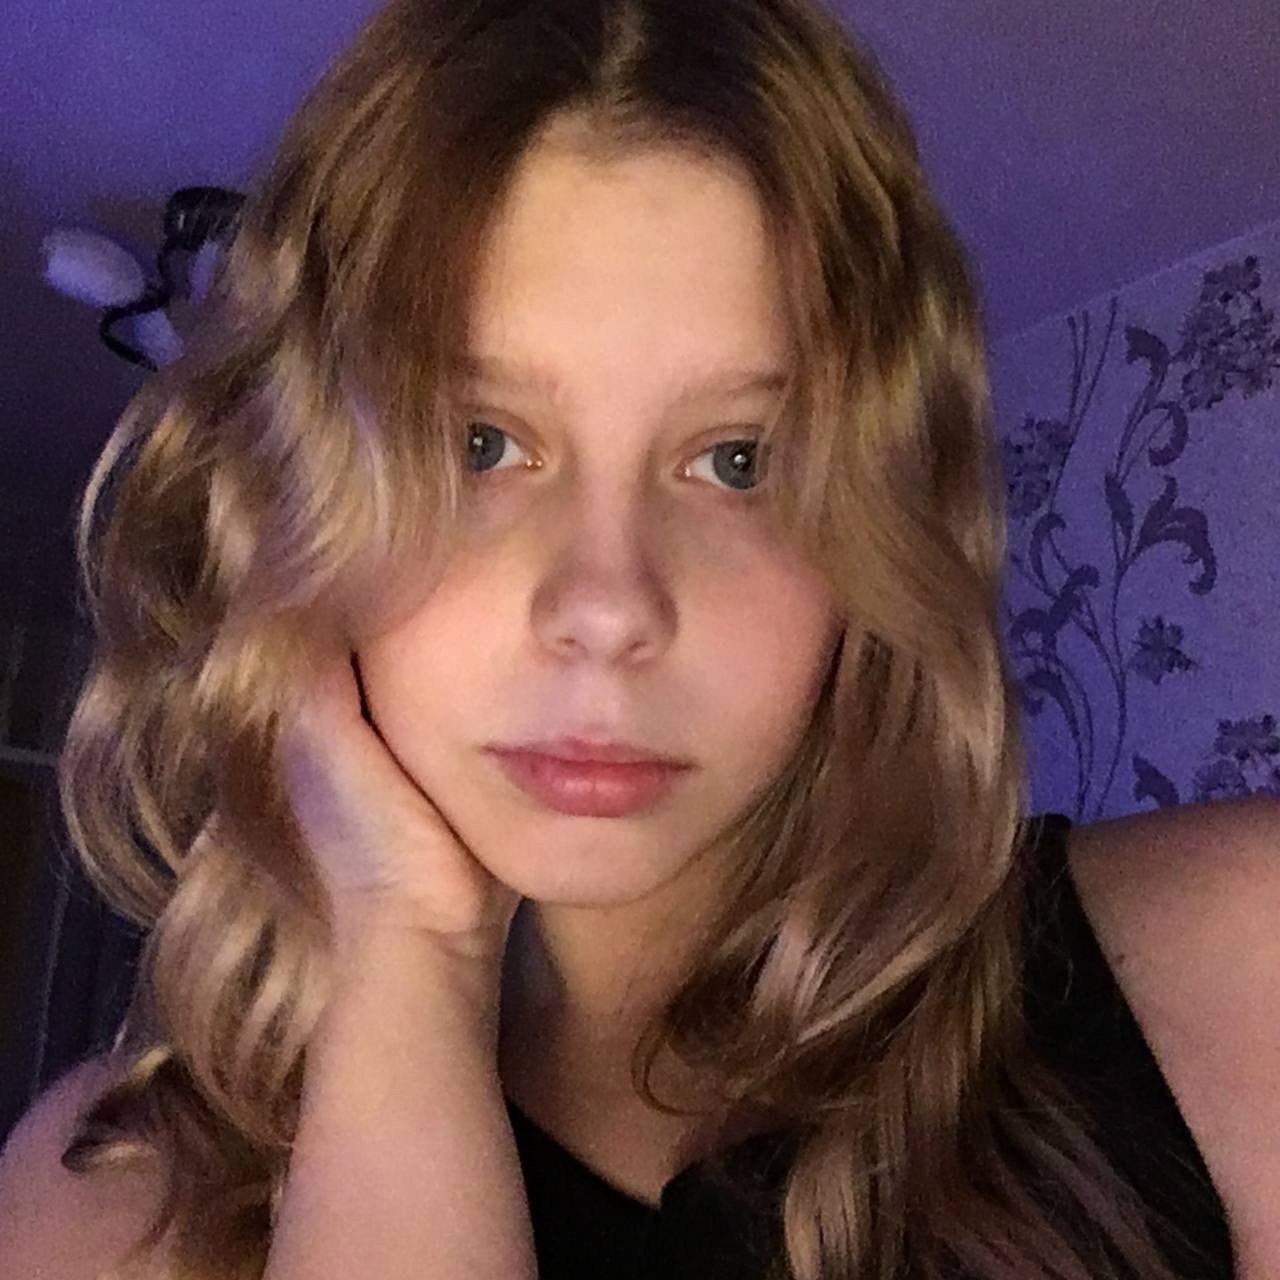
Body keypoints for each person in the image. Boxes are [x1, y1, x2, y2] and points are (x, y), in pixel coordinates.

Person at [1, 0, 1277, 1277]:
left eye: (736, 460)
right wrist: (408, 950)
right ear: (294, 498)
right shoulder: (109, 1206)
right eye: (478, 444)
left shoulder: (1236, 975)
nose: (608, 606)